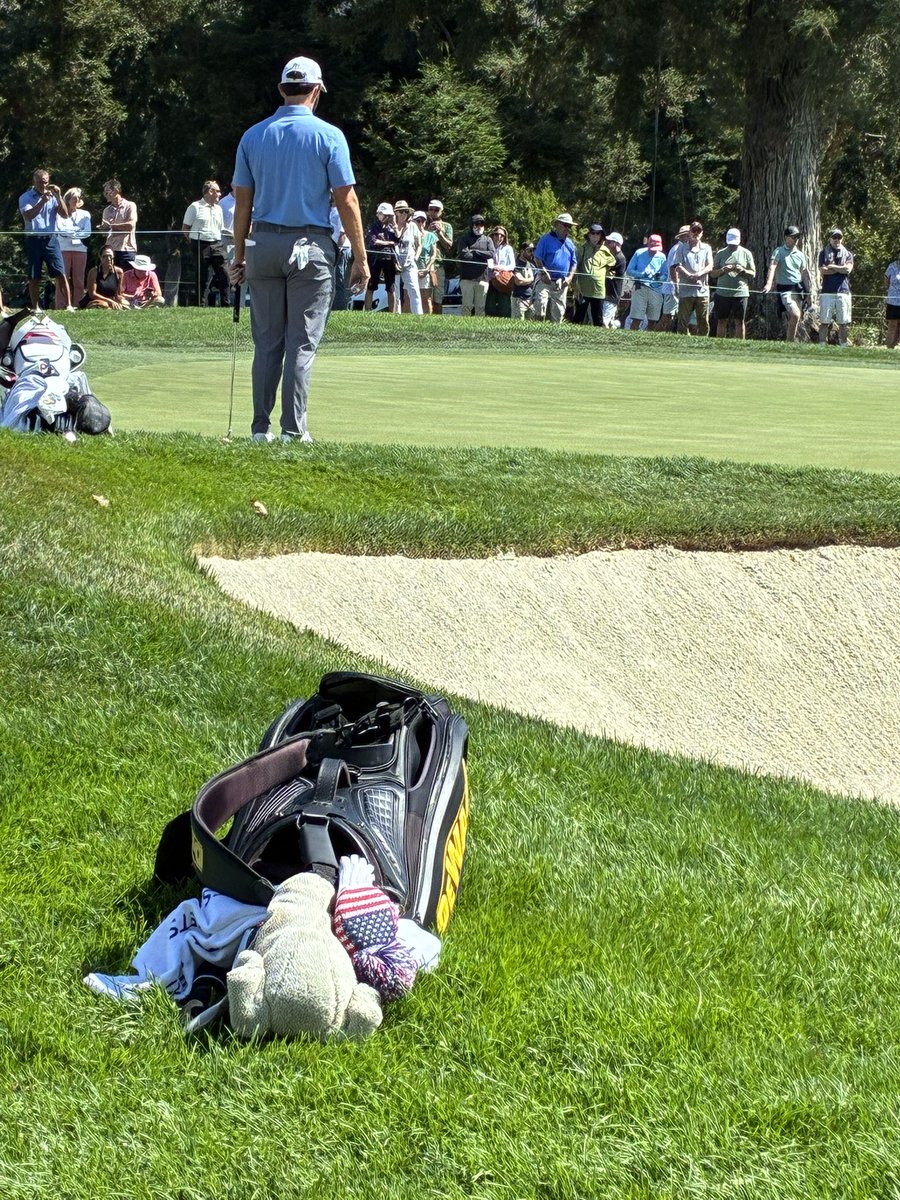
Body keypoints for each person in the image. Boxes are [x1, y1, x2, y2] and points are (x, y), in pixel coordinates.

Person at [230, 55, 367, 444]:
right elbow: (346, 199)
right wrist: (361, 257)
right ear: (317, 91)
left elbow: (242, 202)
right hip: (310, 246)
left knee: (267, 342)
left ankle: (260, 430)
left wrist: (239, 255)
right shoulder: (329, 135)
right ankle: (293, 431)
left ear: (281, 90)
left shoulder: (253, 135)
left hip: (263, 244)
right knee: (301, 342)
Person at [19, 168, 72, 310]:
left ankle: (69, 306)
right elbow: (29, 216)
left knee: (60, 272)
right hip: (34, 240)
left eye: (46, 182)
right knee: (34, 275)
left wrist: (59, 196)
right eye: (41, 182)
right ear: (34, 181)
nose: (44, 185)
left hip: (51, 240)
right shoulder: (25, 197)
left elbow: (65, 214)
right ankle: (36, 307)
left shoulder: (53, 197)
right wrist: (42, 201)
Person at [182, 180, 229, 306]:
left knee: (225, 274)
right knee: (202, 276)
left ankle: (225, 304)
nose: (220, 194)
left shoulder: (218, 209)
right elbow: (185, 228)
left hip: (217, 244)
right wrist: (194, 243)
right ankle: (200, 305)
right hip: (200, 244)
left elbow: (220, 228)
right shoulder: (195, 207)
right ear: (210, 191)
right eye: (217, 191)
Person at [763, 225, 812, 342]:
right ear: (786, 237)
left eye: (797, 237)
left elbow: (804, 274)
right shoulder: (778, 251)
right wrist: (768, 284)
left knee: (796, 317)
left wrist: (808, 293)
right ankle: (789, 342)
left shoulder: (800, 255)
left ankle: (789, 342)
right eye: (793, 237)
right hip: (785, 290)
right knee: (795, 314)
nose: (796, 239)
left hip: (798, 290)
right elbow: (772, 266)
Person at [710, 227, 755, 339]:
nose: (732, 245)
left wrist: (743, 271)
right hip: (722, 293)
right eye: (730, 243)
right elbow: (713, 273)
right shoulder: (720, 253)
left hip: (740, 293)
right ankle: (720, 344)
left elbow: (753, 273)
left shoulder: (746, 253)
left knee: (740, 321)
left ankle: (740, 345)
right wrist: (723, 270)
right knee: (721, 320)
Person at [533, 214, 578, 322]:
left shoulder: (570, 244)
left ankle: (553, 331)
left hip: (561, 283)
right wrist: (543, 272)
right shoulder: (545, 239)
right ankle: (536, 329)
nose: (567, 228)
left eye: (569, 226)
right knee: (540, 306)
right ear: (557, 224)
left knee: (558, 314)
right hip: (544, 280)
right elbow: (537, 257)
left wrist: (570, 278)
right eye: (565, 225)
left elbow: (574, 263)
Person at [671, 221, 713, 336]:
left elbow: (710, 266)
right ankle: (682, 340)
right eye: (694, 230)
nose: (696, 233)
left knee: (703, 320)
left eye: (698, 231)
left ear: (702, 233)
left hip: (702, 290)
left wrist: (698, 275)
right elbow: (677, 266)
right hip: (686, 290)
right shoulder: (681, 248)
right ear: (689, 232)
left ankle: (703, 341)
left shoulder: (707, 248)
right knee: (683, 319)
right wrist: (689, 275)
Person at [56, 187, 91, 309]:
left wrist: (72, 233)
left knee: (79, 279)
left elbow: (87, 232)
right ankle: (61, 305)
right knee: (62, 277)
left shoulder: (85, 214)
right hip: (63, 248)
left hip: (80, 249)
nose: (76, 200)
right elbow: (60, 230)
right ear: (68, 199)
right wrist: (77, 231)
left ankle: (78, 304)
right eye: (74, 198)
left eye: (78, 198)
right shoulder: (59, 214)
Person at [818, 228, 853, 346]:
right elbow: (823, 271)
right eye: (834, 237)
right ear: (830, 239)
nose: (837, 240)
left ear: (842, 239)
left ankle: (843, 346)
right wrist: (840, 269)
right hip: (827, 292)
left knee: (843, 322)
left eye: (839, 237)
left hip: (843, 291)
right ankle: (822, 345)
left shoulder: (848, 254)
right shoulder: (823, 253)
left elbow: (847, 269)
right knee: (824, 321)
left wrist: (832, 266)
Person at [574, 224, 614, 326]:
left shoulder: (604, 250)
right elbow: (575, 265)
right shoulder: (582, 249)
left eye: (598, 234)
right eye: (593, 233)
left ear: (601, 236)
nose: (595, 236)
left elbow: (612, 262)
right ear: (589, 235)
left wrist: (605, 270)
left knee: (598, 319)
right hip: (583, 289)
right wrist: (575, 286)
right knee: (578, 317)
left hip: (598, 289)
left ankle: (598, 335)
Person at [624, 234, 667, 330]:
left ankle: (650, 338)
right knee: (636, 318)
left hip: (656, 290)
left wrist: (660, 277)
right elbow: (629, 270)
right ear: (648, 244)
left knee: (653, 319)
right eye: (652, 248)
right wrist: (641, 274)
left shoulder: (662, 257)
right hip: (640, 287)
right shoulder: (639, 253)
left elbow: (666, 275)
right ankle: (632, 336)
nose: (654, 251)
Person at [457, 215, 493, 317]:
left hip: (483, 279)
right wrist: (482, 256)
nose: (479, 226)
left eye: (482, 224)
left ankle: (479, 326)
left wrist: (475, 251)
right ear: (471, 225)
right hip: (467, 279)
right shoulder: (464, 239)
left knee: (480, 307)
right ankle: (464, 325)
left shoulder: (488, 240)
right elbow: (465, 255)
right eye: (477, 224)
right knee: (467, 306)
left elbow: (491, 254)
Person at [365, 202, 398, 312]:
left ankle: (392, 313)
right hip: (375, 259)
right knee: (371, 285)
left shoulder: (391, 228)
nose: (386, 217)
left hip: (389, 259)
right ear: (378, 214)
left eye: (389, 215)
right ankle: (367, 310)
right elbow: (374, 241)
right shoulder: (372, 226)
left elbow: (398, 240)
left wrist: (395, 225)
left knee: (391, 287)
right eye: (384, 214)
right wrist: (390, 243)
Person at [100, 179, 138, 271]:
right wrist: (103, 228)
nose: (105, 194)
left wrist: (111, 226)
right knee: (111, 277)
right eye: (104, 192)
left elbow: (130, 225)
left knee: (127, 277)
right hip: (110, 250)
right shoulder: (106, 210)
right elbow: (105, 233)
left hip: (127, 249)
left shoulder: (130, 205)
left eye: (107, 191)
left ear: (116, 190)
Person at [393, 201, 423, 315]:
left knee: (414, 290)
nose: (404, 214)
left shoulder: (413, 226)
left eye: (406, 211)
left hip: (409, 263)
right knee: (395, 291)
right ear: (396, 213)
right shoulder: (391, 226)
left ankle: (418, 316)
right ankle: (397, 315)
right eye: (401, 211)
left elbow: (419, 245)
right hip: (394, 264)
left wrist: (415, 258)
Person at [659, 224, 690, 332]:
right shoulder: (678, 249)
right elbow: (673, 269)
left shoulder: (684, 248)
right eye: (687, 235)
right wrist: (677, 286)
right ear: (682, 237)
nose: (689, 238)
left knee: (673, 315)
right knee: (668, 315)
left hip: (677, 287)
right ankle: (657, 334)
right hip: (672, 287)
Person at [425, 200, 453, 315]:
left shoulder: (447, 226)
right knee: (425, 296)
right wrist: (428, 231)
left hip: (438, 265)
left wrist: (440, 233)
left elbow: (449, 247)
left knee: (438, 297)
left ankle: (437, 319)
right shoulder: (422, 223)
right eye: (431, 209)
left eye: (436, 210)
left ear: (441, 211)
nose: (433, 212)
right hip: (424, 265)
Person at [485, 225, 516, 318]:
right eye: (496, 234)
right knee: (490, 307)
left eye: (502, 235)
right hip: (490, 280)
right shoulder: (488, 247)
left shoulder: (508, 248)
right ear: (492, 235)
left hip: (504, 281)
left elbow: (512, 265)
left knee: (504, 307)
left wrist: (499, 269)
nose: (499, 237)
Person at [412, 211, 437, 315]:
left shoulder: (431, 236)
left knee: (426, 298)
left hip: (425, 269)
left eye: (423, 220)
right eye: (418, 220)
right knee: (408, 296)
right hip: (411, 269)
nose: (421, 223)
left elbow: (433, 255)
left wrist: (427, 269)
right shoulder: (409, 235)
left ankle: (427, 319)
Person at [330, 202, 352, 311]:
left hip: (341, 248)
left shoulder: (341, 210)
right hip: (331, 248)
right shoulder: (328, 209)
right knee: (332, 280)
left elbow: (343, 233)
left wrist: (338, 249)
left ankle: (340, 308)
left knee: (339, 279)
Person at [602, 232, 626, 327]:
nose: (607, 243)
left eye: (609, 242)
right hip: (607, 294)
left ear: (616, 244)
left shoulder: (620, 258)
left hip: (612, 295)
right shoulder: (613, 256)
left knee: (604, 322)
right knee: (608, 322)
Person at [511, 242, 536, 319]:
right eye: (529, 250)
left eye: (533, 250)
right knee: (517, 325)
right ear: (522, 251)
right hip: (519, 300)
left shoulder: (532, 265)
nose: (532, 253)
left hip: (531, 300)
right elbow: (518, 282)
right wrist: (531, 279)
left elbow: (536, 280)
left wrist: (525, 280)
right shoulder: (516, 264)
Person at [885, 256, 900, 349]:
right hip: (893, 301)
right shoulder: (892, 266)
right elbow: (886, 282)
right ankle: (890, 347)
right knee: (892, 324)